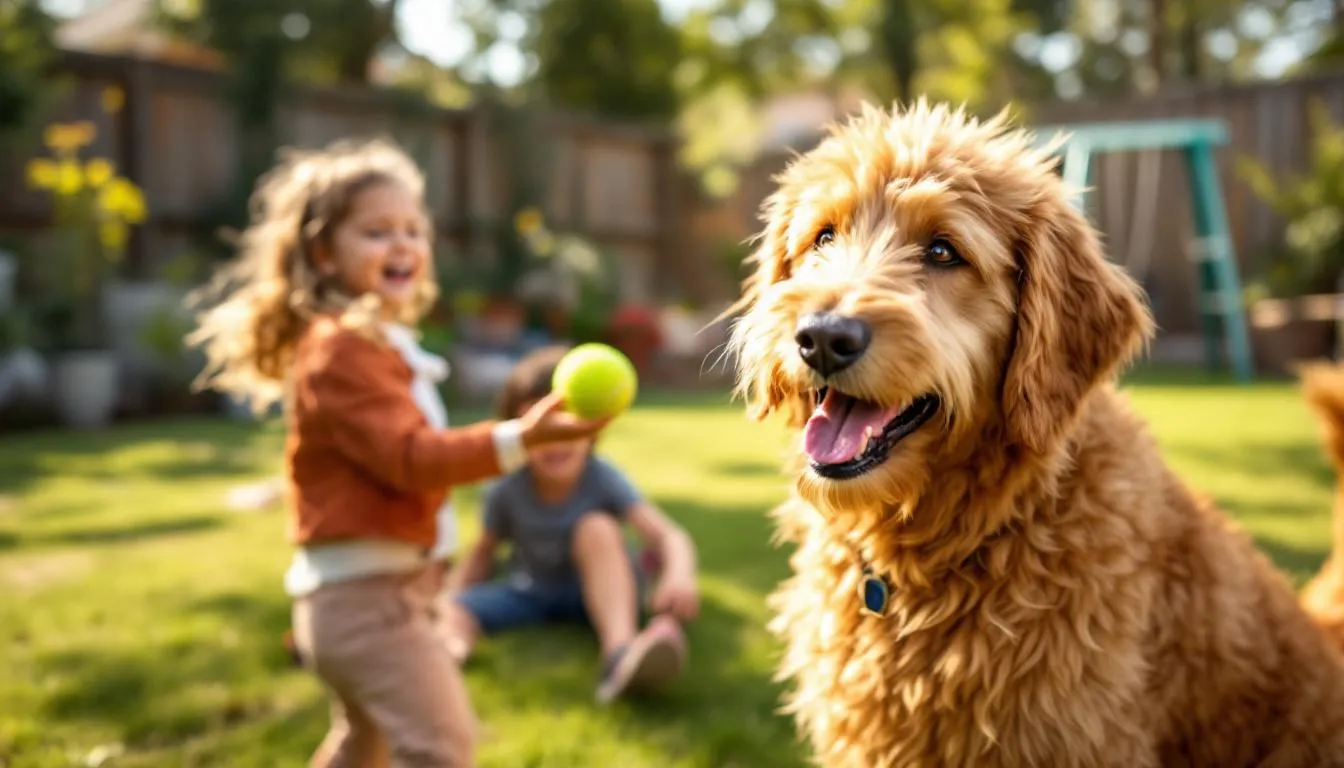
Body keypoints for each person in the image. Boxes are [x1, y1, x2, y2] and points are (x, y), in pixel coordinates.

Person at [187, 137, 608, 767]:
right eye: (377, 231)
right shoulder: (341, 349)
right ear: (323, 253)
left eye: (414, 229)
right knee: (440, 748)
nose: (403, 244)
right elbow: (412, 459)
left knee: (365, 745)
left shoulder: (376, 342)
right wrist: (522, 439)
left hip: (375, 598)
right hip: (368, 605)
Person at [442, 346, 700, 704]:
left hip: (601, 593)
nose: (556, 442)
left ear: (593, 429)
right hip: (533, 591)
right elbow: (483, 552)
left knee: (596, 526)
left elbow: (668, 535)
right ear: (518, 435)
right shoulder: (505, 486)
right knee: (453, 607)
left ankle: (619, 654)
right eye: (542, 430)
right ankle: (449, 652)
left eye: (568, 425)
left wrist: (679, 575)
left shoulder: (601, 477)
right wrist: (452, 602)